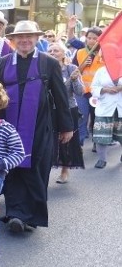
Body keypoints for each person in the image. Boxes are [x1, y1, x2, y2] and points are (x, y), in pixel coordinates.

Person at [0, 21, 73, 234]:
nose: (24, 40)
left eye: (29, 36)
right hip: (9, 129)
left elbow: (61, 97)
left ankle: (31, 217)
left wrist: (66, 126)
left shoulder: (49, 63)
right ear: (13, 40)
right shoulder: (1, 64)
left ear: (36, 38)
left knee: (36, 169)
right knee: (13, 169)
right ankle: (15, 214)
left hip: (40, 128)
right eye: (20, 37)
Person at [47, 41, 85, 182]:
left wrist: (75, 80)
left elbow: (80, 92)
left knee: (66, 141)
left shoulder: (71, 69)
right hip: (49, 110)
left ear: (63, 54)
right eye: (50, 51)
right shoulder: (44, 68)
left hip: (68, 110)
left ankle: (64, 171)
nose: (52, 53)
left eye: (56, 51)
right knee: (48, 140)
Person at [73, 27, 105, 148]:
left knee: (97, 118)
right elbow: (74, 72)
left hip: (98, 93)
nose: (91, 41)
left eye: (95, 39)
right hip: (82, 91)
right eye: (89, 38)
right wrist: (82, 66)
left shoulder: (105, 53)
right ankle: (79, 142)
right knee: (82, 117)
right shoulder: (80, 52)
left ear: (100, 40)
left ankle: (97, 143)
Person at [90, 65, 122, 169]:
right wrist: (105, 90)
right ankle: (102, 159)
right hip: (105, 108)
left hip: (120, 106)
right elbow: (93, 88)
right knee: (101, 134)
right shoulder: (101, 70)